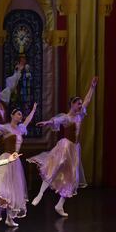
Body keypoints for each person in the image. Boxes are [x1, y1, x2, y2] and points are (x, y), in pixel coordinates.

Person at [29, 77, 98, 217]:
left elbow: (88, 101)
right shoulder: (67, 117)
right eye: (78, 104)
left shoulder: (80, 116)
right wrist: (47, 123)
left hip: (75, 149)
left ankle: (59, 205)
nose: (80, 106)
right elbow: (56, 120)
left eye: (80, 104)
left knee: (72, 177)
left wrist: (92, 87)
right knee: (53, 169)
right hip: (65, 147)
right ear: (72, 105)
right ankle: (40, 194)